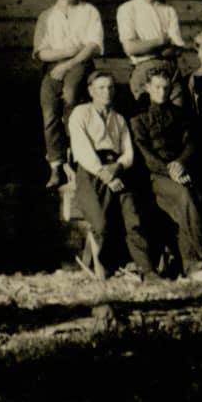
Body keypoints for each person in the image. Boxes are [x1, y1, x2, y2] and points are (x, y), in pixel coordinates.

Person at [131, 69, 202, 277]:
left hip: (179, 171)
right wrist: (169, 170)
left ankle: (191, 264)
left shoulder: (180, 114)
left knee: (189, 196)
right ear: (148, 88)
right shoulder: (139, 118)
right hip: (155, 177)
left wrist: (181, 163)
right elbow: (145, 154)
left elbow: (190, 143)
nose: (162, 92)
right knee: (184, 195)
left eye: (166, 88)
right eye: (157, 87)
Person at [68, 72, 157, 279]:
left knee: (132, 216)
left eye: (110, 88)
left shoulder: (118, 119)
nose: (106, 93)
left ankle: (146, 269)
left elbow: (128, 153)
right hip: (90, 172)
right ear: (91, 91)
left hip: (117, 170)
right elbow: (82, 149)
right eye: (101, 88)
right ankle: (106, 266)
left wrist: (116, 168)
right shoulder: (81, 114)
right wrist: (103, 173)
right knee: (101, 222)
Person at [33, 0, 105, 189]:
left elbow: (92, 46)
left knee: (71, 95)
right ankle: (57, 165)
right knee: (48, 105)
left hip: (81, 63)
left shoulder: (88, 11)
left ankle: (76, 158)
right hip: (55, 65)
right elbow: (41, 52)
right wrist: (65, 53)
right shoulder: (46, 17)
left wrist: (70, 62)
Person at [116, 0, 189, 105]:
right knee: (149, 112)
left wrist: (145, 46)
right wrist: (161, 41)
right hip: (144, 68)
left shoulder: (168, 11)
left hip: (170, 68)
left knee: (178, 109)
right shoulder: (127, 9)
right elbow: (131, 48)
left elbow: (178, 49)